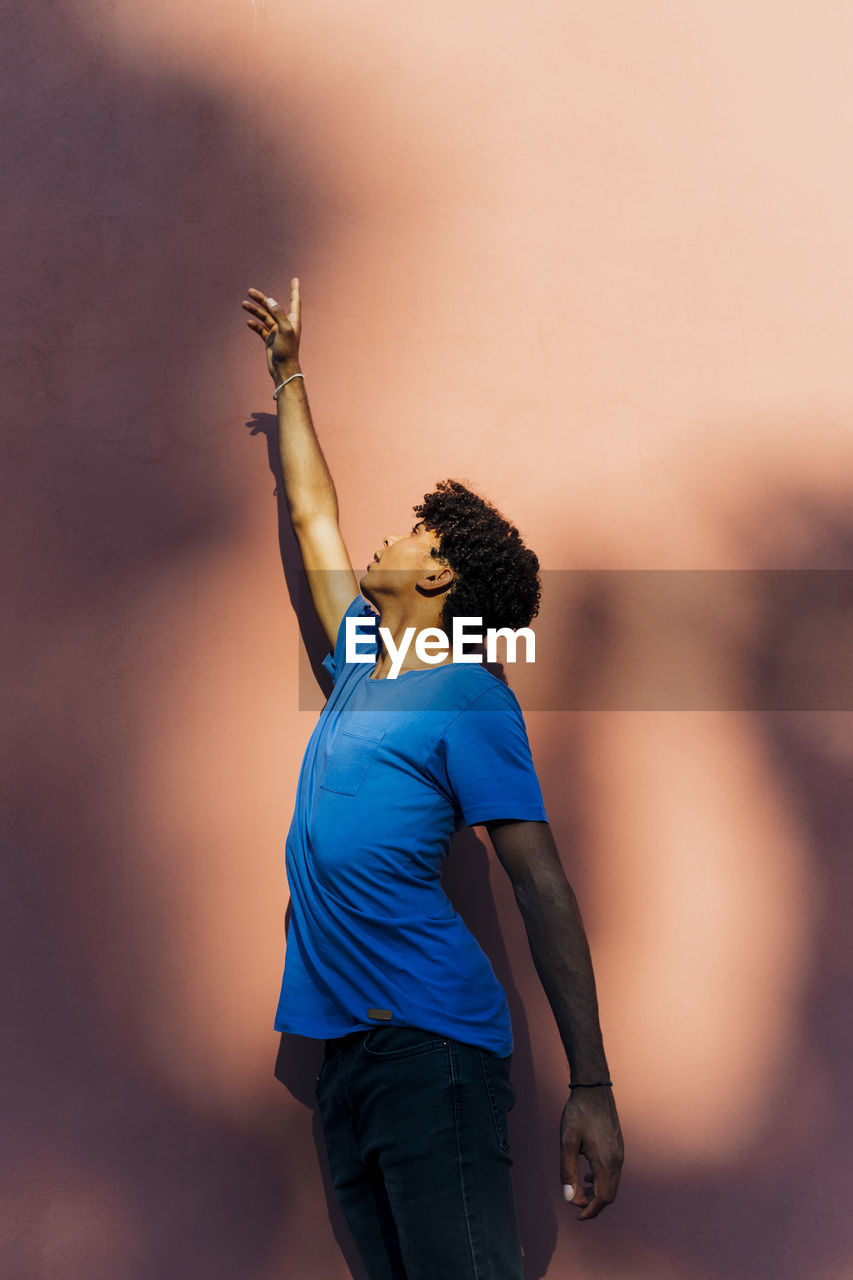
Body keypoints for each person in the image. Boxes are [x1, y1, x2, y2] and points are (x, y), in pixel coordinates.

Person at [241, 279, 624, 1280]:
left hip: (431, 1053)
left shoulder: (470, 699)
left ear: (440, 575)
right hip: (348, 1062)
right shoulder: (362, 656)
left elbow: (540, 885)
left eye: (416, 531)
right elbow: (315, 515)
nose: (392, 531)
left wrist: (589, 1081)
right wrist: (290, 377)